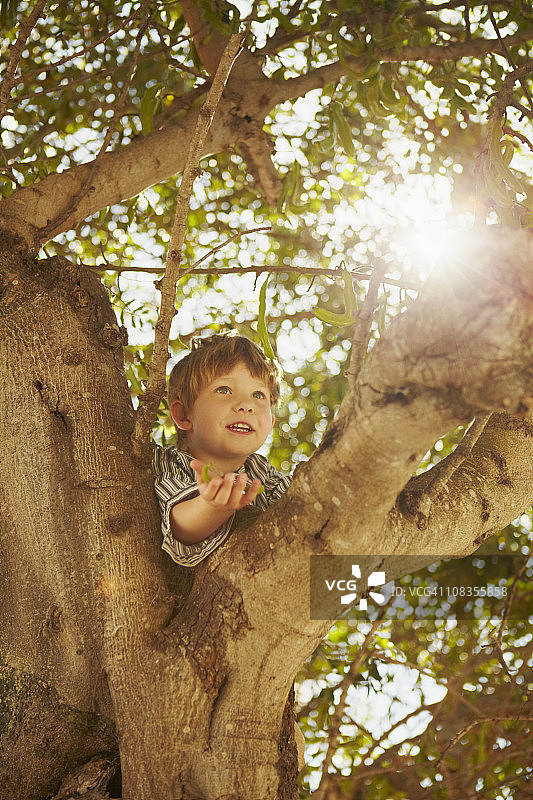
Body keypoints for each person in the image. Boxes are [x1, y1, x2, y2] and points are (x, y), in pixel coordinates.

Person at [152, 332, 291, 567]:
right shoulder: (169, 462)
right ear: (184, 415)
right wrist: (212, 507)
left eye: (258, 395)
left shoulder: (263, 475)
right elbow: (179, 526)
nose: (246, 405)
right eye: (224, 390)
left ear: (271, 421)